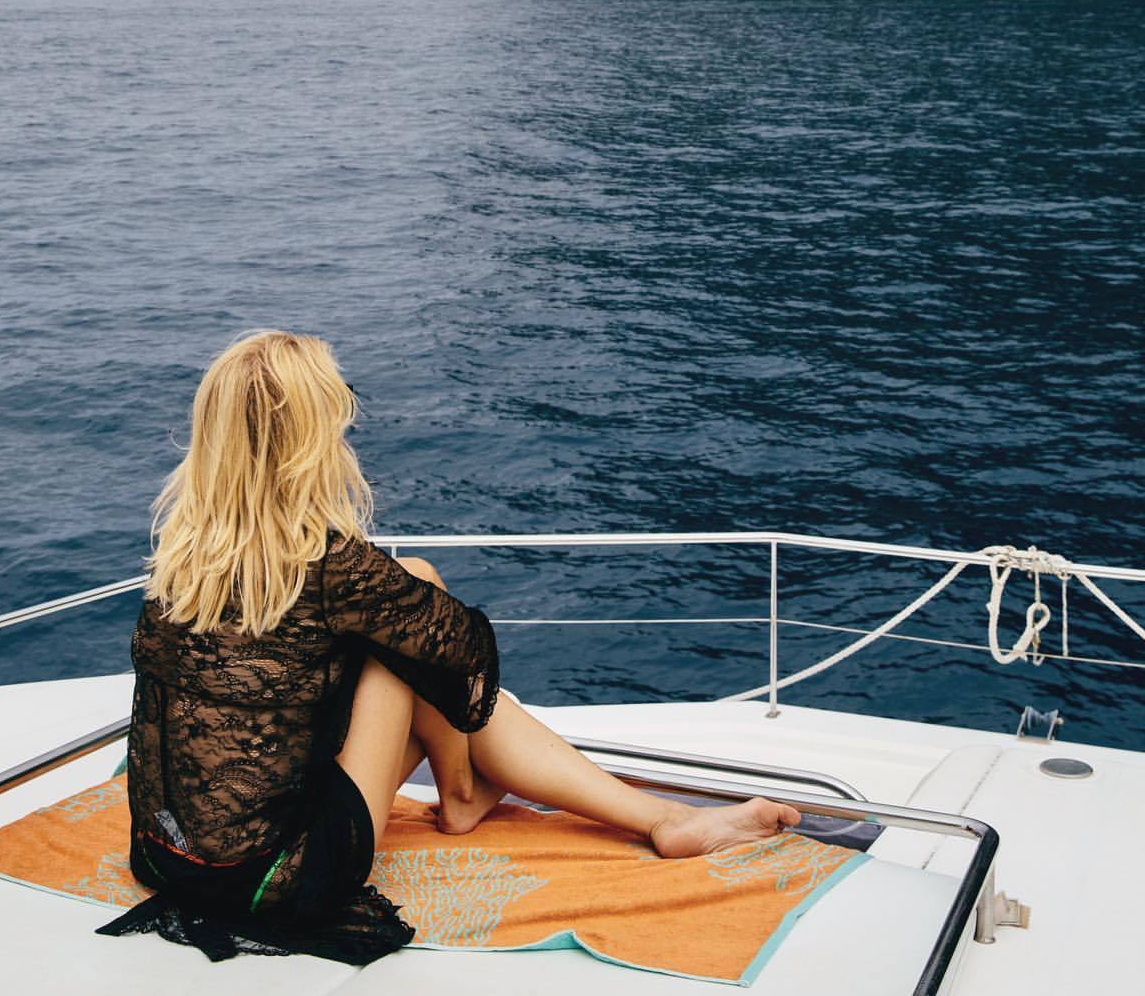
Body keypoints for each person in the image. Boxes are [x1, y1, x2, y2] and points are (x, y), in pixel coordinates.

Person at [100, 331, 800, 965]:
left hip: (167, 858)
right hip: (281, 878)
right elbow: (468, 661)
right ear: (311, 439)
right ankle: (472, 795)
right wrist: (410, 604)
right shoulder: (330, 566)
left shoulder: (181, 561)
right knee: (420, 605)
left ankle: (662, 819)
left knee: (397, 633)